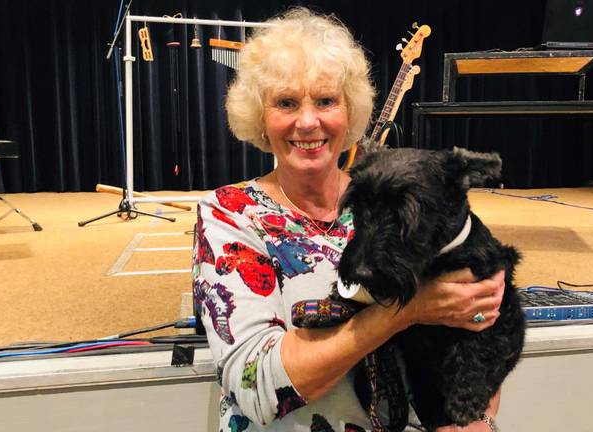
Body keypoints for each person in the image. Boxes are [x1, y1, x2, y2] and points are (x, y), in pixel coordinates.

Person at [193, 7, 506, 431]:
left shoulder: (396, 196)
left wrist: (477, 418)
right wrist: (408, 311)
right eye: (286, 103)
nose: (308, 121)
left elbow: (482, 324)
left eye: (325, 101)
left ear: (349, 111)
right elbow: (256, 388)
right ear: (261, 118)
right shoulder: (231, 214)